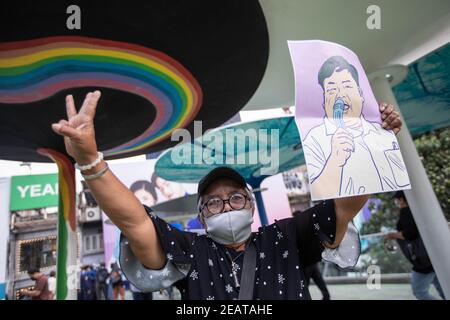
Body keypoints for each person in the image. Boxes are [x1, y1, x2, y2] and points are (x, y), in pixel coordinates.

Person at [51, 90, 403, 299]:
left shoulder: (286, 237)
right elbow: (135, 221)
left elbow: (344, 206)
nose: (226, 205)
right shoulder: (190, 251)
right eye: (214, 202)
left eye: (235, 198)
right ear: (201, 216)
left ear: (250, 205)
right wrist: (90, 161)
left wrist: (374, 138)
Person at [302, 56, 409, 199]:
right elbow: (321, 192)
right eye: (332, 90)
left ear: (360, 94)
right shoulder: (314, 138)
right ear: (324, 101)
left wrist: (389, 137)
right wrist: (335, 161)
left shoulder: (379, 127)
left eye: (347, 86)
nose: (340, 95)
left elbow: (396, 178)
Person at [386, 191, 445, 300]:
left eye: (397, 200)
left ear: (402, 199)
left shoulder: (406, 211)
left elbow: (410, 234)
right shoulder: (420, 209)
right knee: (443, 289)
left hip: (423, 259)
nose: (397, 202)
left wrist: (393, 235)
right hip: (433, 254)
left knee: (419, 291)